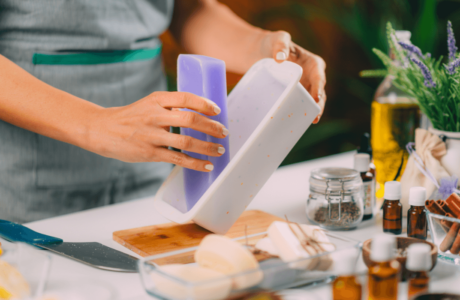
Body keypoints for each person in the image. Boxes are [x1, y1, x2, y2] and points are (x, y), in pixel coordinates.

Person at [0, 0, 326, 223]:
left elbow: (186, 9)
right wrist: (94, 124)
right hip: (30, 186)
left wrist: (260, 46)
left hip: (151, 168)